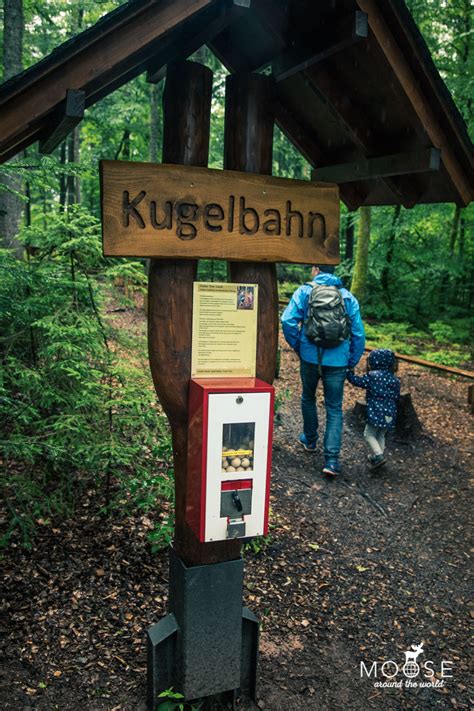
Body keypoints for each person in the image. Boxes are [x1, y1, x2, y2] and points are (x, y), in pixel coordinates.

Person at [281, 265, 365, 476]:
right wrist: (351, 360)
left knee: (308, 397)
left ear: (316, 269)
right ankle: (332, 461)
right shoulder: (347, 297)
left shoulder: (304, 291)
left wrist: (299, 346)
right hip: (338, 361)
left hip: (309, 357)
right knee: (334, 408)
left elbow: (287, 320)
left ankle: (310, 440)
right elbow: (358, 334)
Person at [347, 349, 400, 469]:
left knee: (369, 434)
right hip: (390, 412)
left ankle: (379, 455)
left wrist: (349, 373)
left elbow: (358, 381)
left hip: (376, 411)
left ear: (374, 361)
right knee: (381, 434)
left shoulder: (373, 376)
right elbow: (397, 397)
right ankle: (377, 458)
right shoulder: (395, 379)